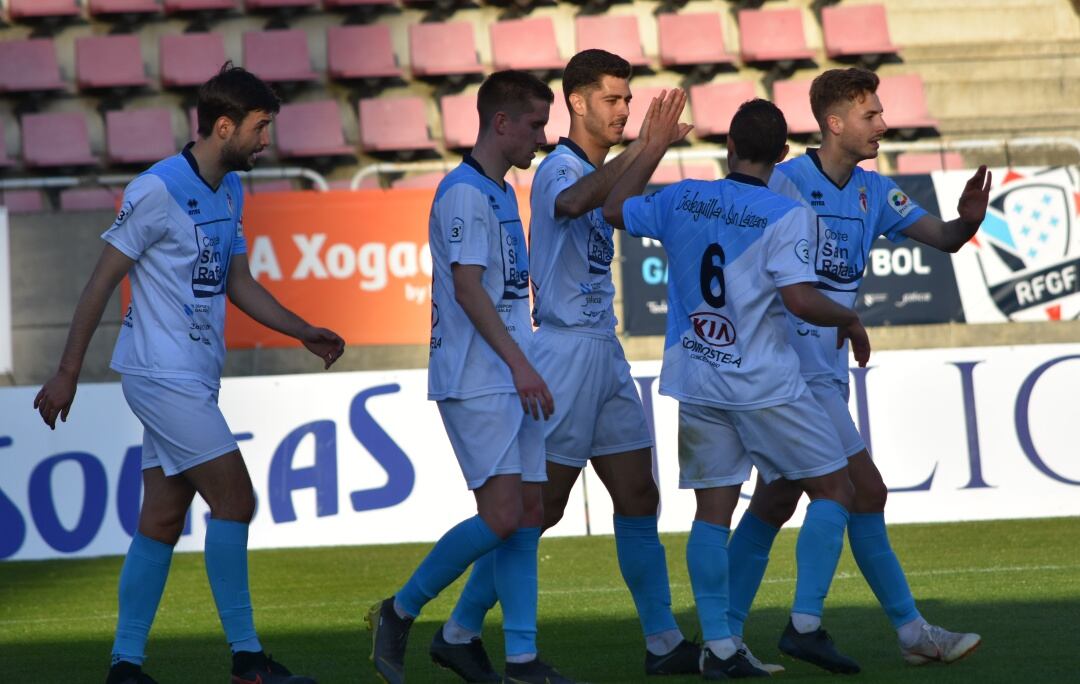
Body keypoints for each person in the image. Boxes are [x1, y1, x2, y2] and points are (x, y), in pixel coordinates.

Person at [33, 63, 345, 684]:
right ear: (223, 125)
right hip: (159, 375)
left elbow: (237, 283)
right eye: (259, 128)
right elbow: (101, 282)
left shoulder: (230, 189)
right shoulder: (157, 189)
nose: (266, 142)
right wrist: (68, 371)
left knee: (163, 519)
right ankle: (249, 661)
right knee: (236, 497)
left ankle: (125, 666)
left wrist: (301, 329)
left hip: (193, 377)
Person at [437, 50, 701, 680]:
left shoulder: (598, 166)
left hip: (602, 348)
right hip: (560, 350)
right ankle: (459, 629)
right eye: (613, 100)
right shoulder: (558, 166)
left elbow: (615, 208)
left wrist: (649, 150)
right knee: (538, 509)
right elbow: (575, 202)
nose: (624, 111)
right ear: (577, 103)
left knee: (639, 494)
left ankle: (663, 643)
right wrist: (649, 145)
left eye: (629, 102)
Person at [725, 67, 987, 667]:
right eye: (870, 115)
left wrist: (968, 219)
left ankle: (724, 636)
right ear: (834, 123)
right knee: (863, 489)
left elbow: (944, 238)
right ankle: (890, 629)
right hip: (786, 369)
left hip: (825, 371)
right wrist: (840, 319)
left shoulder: (874, 192)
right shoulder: (784, 181)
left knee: (776, 499)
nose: (883, 124)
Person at [603, 97, 872, 678]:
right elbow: (800, 299)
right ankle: (805, 625)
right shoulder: (784, 212)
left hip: (697, 377)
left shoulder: (681, 196)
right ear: (780, 155)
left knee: (712, 514)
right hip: (764, 382)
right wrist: (848, 318)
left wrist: (650, 151)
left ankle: (721, 648)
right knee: (835, 490)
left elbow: (613, 209)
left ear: (727, 145)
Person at [366, 70, 574, 684]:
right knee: (504, 513)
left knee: (529, 510)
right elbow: (467, 290)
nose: (543, 135)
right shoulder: (462, 192)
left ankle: (522, 659)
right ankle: (399, 610)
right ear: (501, 123)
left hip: (510, 372)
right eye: (535, 123)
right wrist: (520, 365)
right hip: (477, 374)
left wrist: (525, 363)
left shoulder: (501, 191)